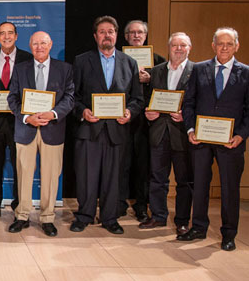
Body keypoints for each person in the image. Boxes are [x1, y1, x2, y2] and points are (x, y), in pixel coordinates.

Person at [71, 16, 143, 234]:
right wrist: (83, 111)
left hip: (117, 130)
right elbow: (73, 95)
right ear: (95, 36)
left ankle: (110, 218)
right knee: (86, 176)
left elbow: (138, 98)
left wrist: (130, 112)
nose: (106, 35)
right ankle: (84, 215)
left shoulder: (129, 63)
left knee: (114, 178)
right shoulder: (82, 61)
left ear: (116, 35)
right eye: (102, 31)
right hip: (89, 129)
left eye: (110, 31)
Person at [181, 27, 249, 251]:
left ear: (236, 46)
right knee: (199, 185)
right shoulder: (199, 69)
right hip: (201, 140)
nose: (225, 48)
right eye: (220, 43)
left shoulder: (246, 73)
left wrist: (240, 135)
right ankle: (198, 227)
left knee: (230, 188)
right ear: (213, 45)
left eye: (229, 44)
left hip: (231, 142)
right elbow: (189, 103)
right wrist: (191, 130)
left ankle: (229, 234)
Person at [6, 31, 74, 236]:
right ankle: (22, 216)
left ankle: (47, 218)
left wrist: (52, 114)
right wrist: (27, 118)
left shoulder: (65, 69)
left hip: (52, 129)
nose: (39, 47)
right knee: (24, 174)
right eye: (35, 44)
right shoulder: (20, 69)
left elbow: (70, 98)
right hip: (26, 128)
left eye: (43, 43)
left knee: (51, 176)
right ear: (30, 45)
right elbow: (12, 99)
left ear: (51, 44)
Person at [139, 32, 194, 236]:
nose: (178, 49)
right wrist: (148, 112)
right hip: (159, 131)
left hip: (182, 133)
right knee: (157, 178)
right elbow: (148, 98)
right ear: (169, 48)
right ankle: (158, 216)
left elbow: (199, 102)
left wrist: (186, 116)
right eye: (175, 45)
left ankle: (181, 221)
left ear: (189, 48)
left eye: (183, 45)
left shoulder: (196, 71)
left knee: (184, 180)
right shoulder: (157, 71)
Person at [0, 21, 32, 220]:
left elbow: (32, 88)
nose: (6, 37)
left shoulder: (27, 58)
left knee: (20, 166)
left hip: (18, 123)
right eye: (2, 33)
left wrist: (23, 107)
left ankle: (20, 207)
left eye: (10, 33)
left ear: (16, 35)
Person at [119, 20, 166, 221]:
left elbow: (167, 92)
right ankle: (118, 204)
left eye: (140, 33)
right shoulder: (117, 59)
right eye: (132, 33)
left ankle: (141, 206)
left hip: (148, 122)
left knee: (143, 165)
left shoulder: (159, 62)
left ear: (146, 36)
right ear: (126, 36)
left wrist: (151, 79)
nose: (136, 36)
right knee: (121, 164)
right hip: (122, 118)